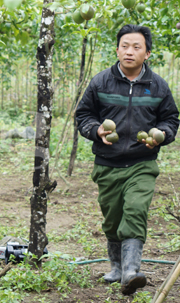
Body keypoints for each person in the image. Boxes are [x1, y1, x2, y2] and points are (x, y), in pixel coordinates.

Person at [76, 24, 179, 295]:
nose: (129, 51)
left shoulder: (158, 86)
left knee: (135, 210)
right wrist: (96, 130)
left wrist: (162, 135)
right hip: (107, 163)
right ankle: (117, 268)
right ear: (117, 49)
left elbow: (170, 119)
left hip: (141, 163)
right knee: (112, 219)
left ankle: (131, 271)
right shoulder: (100, 82)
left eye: (136, 47)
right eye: (125, 46)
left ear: (147, 54)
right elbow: (84, 116)